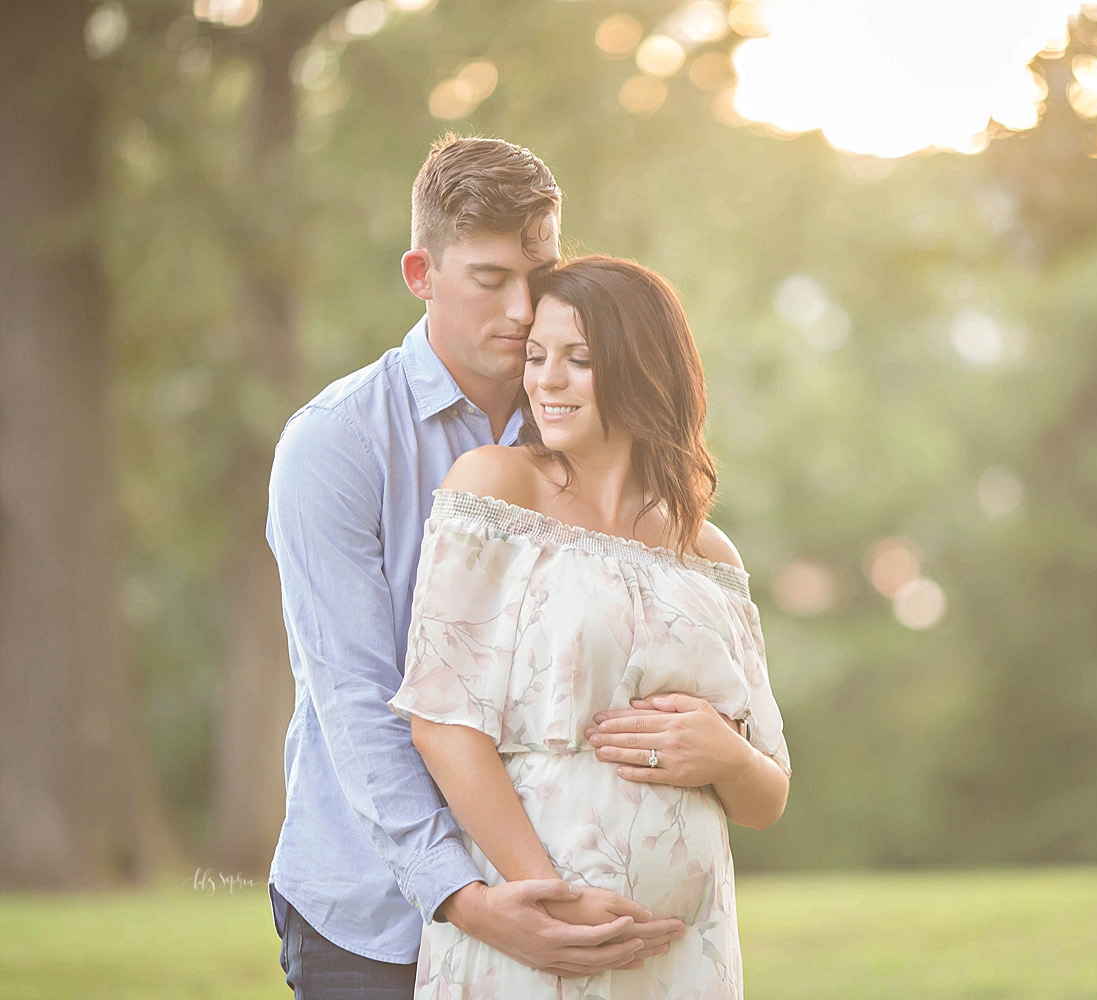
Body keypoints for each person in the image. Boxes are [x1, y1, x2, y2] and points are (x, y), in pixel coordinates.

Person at [265, 136, 754, 998]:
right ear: (421, 273)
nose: (526, 309)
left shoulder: (583, 427)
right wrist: (466, 893)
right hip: (375, 909)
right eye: (490, 279)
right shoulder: (336, 443)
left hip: (580, 905)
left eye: (540, 272)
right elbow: (354, 696)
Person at [387, 255, 791, 998]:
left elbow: (768, 794)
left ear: (642, 370)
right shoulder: (495, 486)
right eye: (537, 358)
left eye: (579, 360)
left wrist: (725, 757)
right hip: (538, 932)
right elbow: (443, 724)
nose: (547, 381)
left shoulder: (706, 550)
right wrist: (551, 905)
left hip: (683, 954)